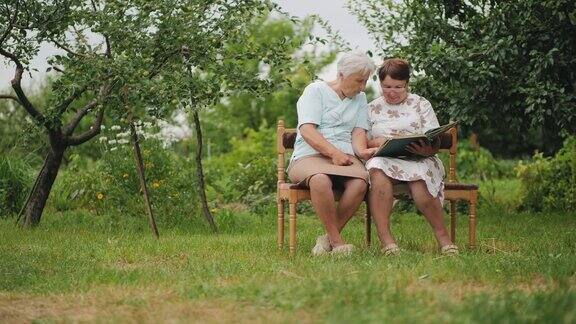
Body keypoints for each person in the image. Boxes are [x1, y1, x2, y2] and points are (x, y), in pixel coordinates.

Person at [362, 58, 458, 255]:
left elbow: (434, 137)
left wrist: (428, 149)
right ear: (380, 83)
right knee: (376, 170)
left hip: (420, 158)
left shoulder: (421, 103)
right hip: (385, 159)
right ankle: (387, 241)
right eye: (387, 86)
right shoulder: (371, 108)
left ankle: (444, 240)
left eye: (398, 87)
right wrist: (377, 142)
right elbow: (362, 140)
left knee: (419, 181)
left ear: (407, 84)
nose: (392, 92)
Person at [287, 51, 377, 255]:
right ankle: (337, 243)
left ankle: (325, 240)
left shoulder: (360, 98)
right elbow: (307, 130)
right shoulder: (315, 90)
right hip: (309, 155)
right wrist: (333, 153)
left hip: (345, 157)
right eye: (359, 81)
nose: (363, 87)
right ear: (342, 74)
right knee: (320, 180)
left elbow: (358, 132)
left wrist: (363, 151)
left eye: (365, 82)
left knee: (360, 182)